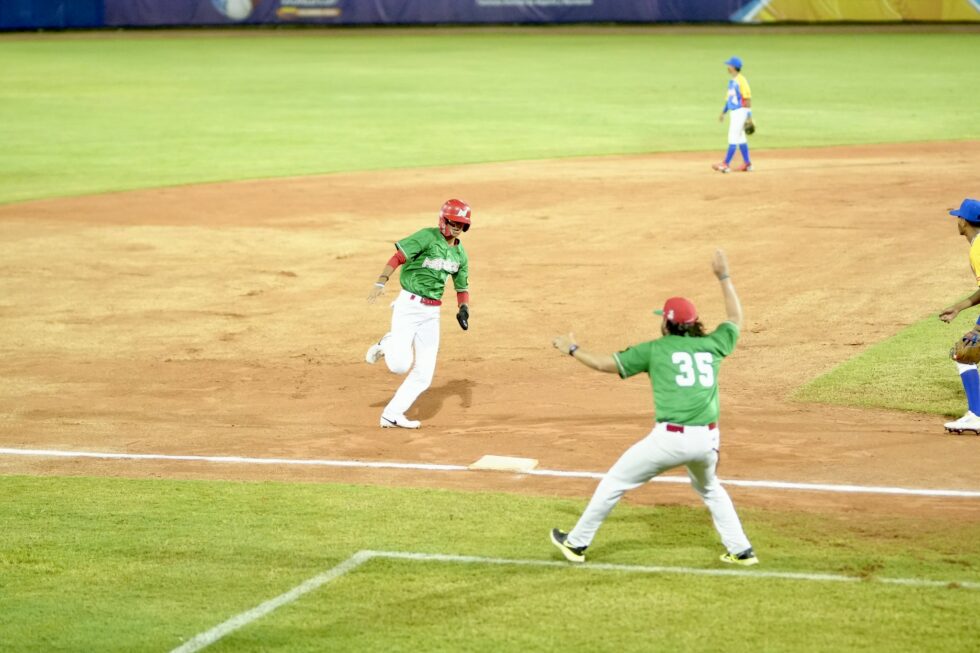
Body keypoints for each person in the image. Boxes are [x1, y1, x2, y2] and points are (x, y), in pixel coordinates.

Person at [549, 250, 757, 566]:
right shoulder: (713, 344)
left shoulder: (655, 350)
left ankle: (576, 544)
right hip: (708, 442)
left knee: (615, 481)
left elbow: (608, 364)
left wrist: (572, 349)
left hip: (670, 440)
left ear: (667, 324)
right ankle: (742, 551)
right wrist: (723, 277)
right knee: (711, 488)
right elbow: (735, 319)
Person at [364, 199, 472, 429]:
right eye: (453, 223)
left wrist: (464, 309)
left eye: (461, 225)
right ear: (443, 221)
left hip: (432, 314)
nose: (456, 228)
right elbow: (398, 257)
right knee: (400, 366)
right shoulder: (427, 236)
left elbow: (461, 287)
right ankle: (388, 341)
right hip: (409, 306)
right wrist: (381, 281)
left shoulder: (460, 255)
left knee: (424, 374)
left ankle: (391, 415)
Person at [939, 198, 980, 433]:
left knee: (964, 353)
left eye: (958, 217)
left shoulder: (978, 249)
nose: (957, 220)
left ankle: (976, 415)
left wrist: (977, 329)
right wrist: (959, 307)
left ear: (965, 221)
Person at [712, 56, 753, 174]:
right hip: (734, 112)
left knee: (733, 137)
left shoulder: (742, 80)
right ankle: (747, 163)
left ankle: (725, 164)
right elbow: (729, 100)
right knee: (740, 138)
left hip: (741, 112)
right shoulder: (732, 82)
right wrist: (723, 112)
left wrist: (749, 116)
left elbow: (748, 98)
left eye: (729, 65)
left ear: (734, 67)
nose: (727, 67)